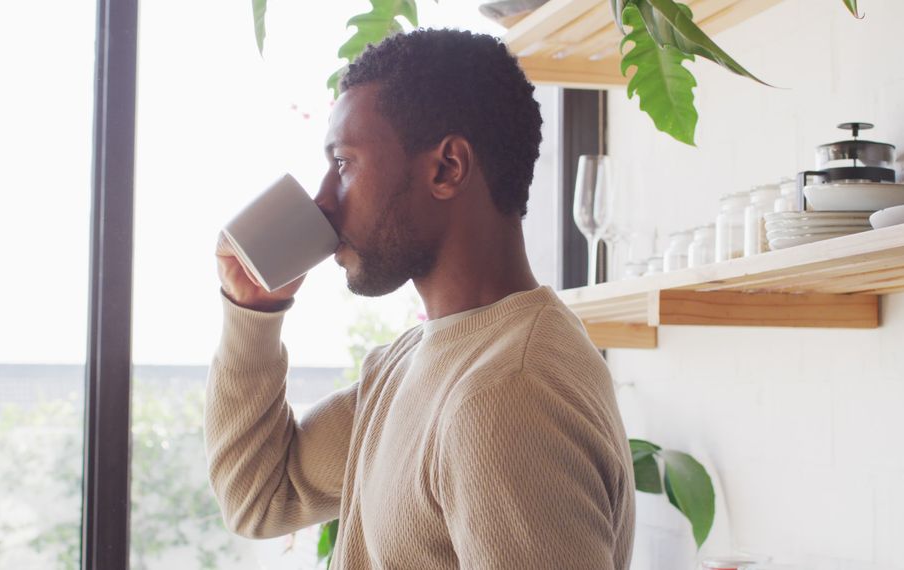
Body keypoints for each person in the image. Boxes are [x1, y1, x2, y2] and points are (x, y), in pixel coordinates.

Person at [207, 28, 635, 569]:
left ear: (446, 168)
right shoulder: (410, 363)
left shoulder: (507, 394)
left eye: (343, 163)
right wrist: (253, 313)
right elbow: (261, 497)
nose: (323, 201)